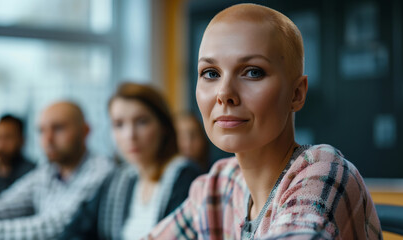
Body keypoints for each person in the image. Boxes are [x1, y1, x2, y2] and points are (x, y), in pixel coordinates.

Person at [147, 4, 382, 239]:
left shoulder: (325, 172)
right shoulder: (219, 184)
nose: (224, 93)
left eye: (253, 72)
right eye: (211, 73)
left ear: (296, 93)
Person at [60, 82, 201, 240]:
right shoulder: (118, 180)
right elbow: (73, 231)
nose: (130, 135)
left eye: (141, 122)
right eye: (119, 124)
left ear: (163, 126)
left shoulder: (186, 177)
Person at [0, 101, 113, 239]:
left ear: (85, 130)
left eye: (58, 128)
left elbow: (55, 225)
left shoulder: (99, 171)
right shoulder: (48, 169)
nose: (48, 139)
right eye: (42, 131)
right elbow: (5, 205)